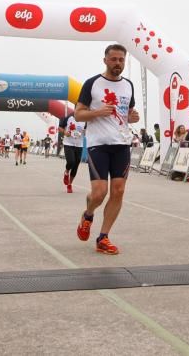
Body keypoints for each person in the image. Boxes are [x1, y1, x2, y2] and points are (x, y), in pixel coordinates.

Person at [75, 44, 140, 255]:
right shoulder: (92, 84)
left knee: (118, 191)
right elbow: (78, 114)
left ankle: (103, 237)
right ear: (105, 60)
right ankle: (88, 213)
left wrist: (133, 117)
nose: (117, 64)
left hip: (122, 144)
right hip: (98, 145)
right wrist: (97, 113)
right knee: (99, 193)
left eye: (121, 60)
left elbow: (128, 112)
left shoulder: (128, 85)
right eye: (114, 59)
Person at [61, 114, 85, 193]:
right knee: (71, 161)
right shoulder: (68, 117)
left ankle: (69, 184)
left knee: (76, 165)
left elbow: (88, 131)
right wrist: (65, 132)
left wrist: (85, 131)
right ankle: (67, 171)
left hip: (79, 145)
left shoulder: (85, 119)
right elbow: (60, 128)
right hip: (68, 144)